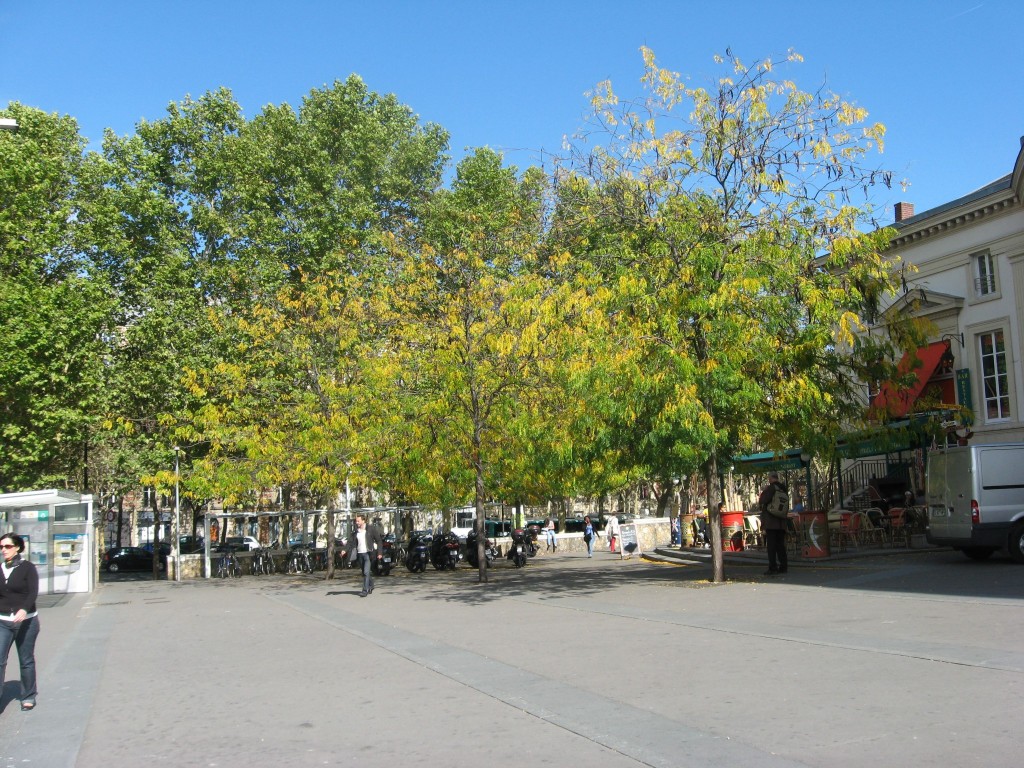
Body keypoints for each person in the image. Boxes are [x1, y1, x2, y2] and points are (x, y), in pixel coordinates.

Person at [0, 533, 40, 711]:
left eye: (7, 546)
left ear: (17, 547)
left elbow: (33, 592)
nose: (4, 550)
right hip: (3, 622)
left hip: (27, 622)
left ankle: (28, 696)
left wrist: (24, 609)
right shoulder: (0, 568)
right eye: (1, 547)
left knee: (26, 660)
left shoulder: (28, 568)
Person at [759, 471, 789, 576]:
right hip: (782, 522)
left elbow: (762, 500)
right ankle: (783, 566)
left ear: (771, 478)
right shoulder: (784, 489)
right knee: (780, 545)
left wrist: (764, 491)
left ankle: (773, 567)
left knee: (771, 546)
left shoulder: (771, 488)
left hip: (771, 522)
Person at [346, 515, 383, 597]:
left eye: (358, 521)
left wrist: (380, 553)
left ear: (363, 521)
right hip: (360, 554)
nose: (356, 522)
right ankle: (371, 585)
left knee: (366, 572)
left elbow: (379, 540)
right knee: (364, 572)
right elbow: (350, 541)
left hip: (368, 554)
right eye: (356, 521)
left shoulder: (370, 529)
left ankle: (364, 590)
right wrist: (344, 550)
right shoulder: (356, 531)